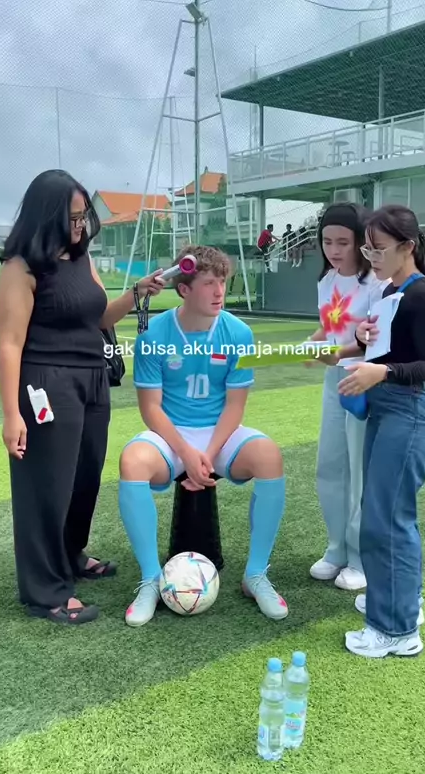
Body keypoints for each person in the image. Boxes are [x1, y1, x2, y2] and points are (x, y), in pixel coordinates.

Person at [0, 169, 165, 626]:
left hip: (92, 378)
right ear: (46, 216)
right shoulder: (20, 268)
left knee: (84, 478)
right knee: (46, 487)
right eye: (72, 218)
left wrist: (136, 293)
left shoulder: (80, 256)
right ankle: (45, 591)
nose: (80, 225)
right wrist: (11, 414)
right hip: (46, 384)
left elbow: (100, 315)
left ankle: (71, 555)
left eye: (83, 216)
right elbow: (9, 344)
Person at [118, 244, 288, 627]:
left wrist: (207, 456)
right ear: (184, 289)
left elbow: (234, 407)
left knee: (269, 457)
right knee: (132, 462)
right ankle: (151, 579)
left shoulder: (238, 333)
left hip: (220, 435)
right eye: (209, 283)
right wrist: (186, 453)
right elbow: (151, 409)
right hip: (170, 436)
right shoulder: (154, 335)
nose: (219, 292)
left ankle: (255, 575)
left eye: (222, 282)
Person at [339, 204, 425, 657]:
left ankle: (396, 630)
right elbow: (386, 348)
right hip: (391, 411)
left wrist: (380, 372)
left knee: (387, 520)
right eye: (367, 249)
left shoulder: (421, 296)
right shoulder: (392, 290)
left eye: (378, 249)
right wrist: (358, 344)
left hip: (411, 412)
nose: (371, 257)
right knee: (385, 514)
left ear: (407, 247)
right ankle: (399, 600)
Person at [308, 203, 388, 591]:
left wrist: (337, 353)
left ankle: (360, 558)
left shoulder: (376, 284)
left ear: (360, 242)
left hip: (362, 381)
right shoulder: (326, 281)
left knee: (360, 471)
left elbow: (377, 342)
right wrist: (310, 345)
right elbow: (328, 328)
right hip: (333, 379)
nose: (334, 250)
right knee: (329, 465)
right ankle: (337, 549)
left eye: (343, 242)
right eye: (327, 241)